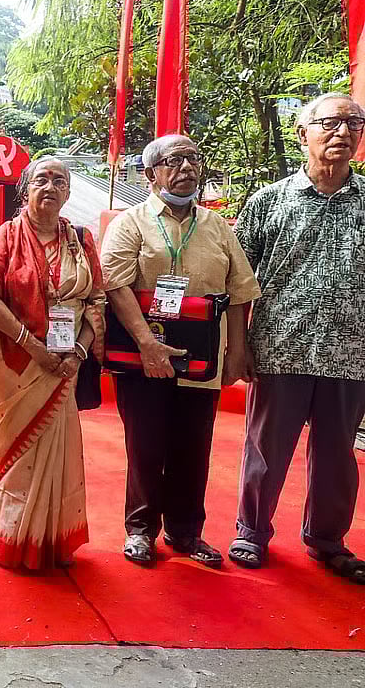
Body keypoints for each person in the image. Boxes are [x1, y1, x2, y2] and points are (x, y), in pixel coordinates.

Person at [101, 134, 260, 567]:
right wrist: (147, 344)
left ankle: (186, 531)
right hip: (143, 352)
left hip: (202, 354)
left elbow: (239, 291)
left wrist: (237, 351)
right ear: (150, 173)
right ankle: (140, 530)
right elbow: (115, 285)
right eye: (174, 160)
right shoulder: (130, 223)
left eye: (193, 158)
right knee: (146, 444)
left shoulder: (217, 226)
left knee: (194, 445)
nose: (187, 167)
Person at [229, 93, 365, 585]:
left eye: (354, 123)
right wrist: (238, 346)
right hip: (280, 346)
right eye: (330, 122)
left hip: (351, 352)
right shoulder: (268, 201)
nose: (343, 132)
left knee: (337, 455)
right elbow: (238, 282)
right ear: (303, 133)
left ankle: (327, 540)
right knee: (266, 449)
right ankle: (251, 531)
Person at [0, 158, 105, 569]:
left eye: (59, 181)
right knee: (18, 454)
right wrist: (33, 346)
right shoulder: (6, 235)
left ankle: (52, 540)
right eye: (41, 180)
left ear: (68, 192)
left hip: (67, 364)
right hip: (18, 364)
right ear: (25, 189)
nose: (50, 187)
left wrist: (78, 352)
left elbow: (96, 299)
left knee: (60, 453)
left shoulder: (81, 239)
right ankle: (15, 540)